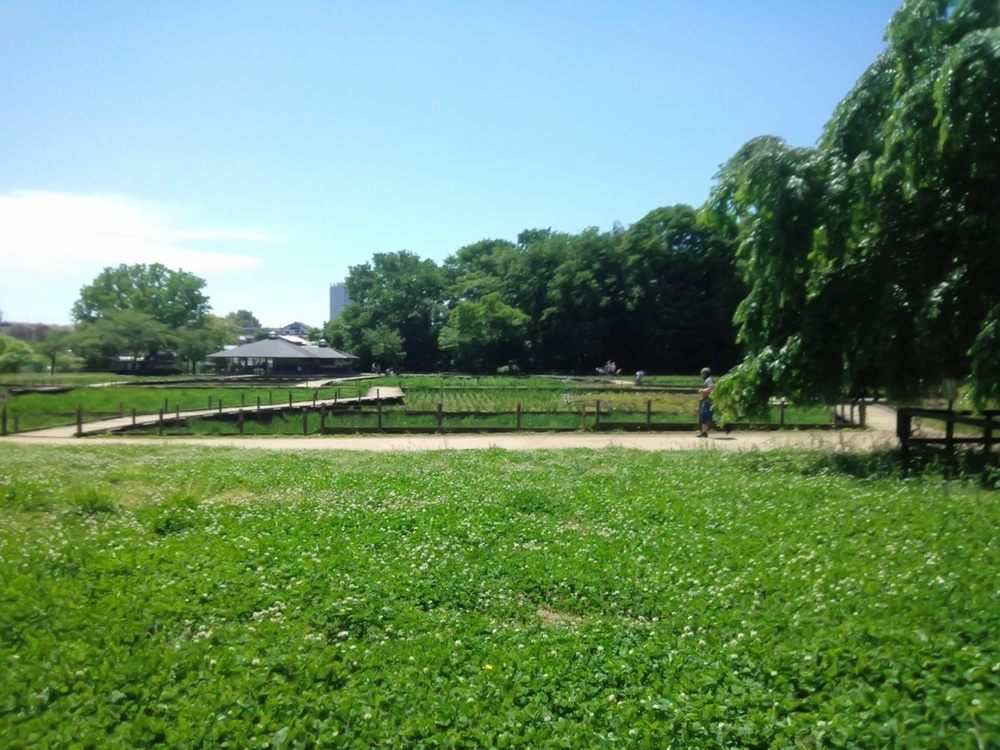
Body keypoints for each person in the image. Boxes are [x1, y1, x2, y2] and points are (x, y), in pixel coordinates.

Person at [698, 367, 715, 437]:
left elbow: (712, 388)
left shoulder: (709, 380)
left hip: (708, 401)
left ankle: (725, 426)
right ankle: (704, 432)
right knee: (703, 416)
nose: (701, 375)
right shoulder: (709, 379)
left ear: (704, 374)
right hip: (706, 401)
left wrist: (702, 390)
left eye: (702, 374)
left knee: (708, 417)